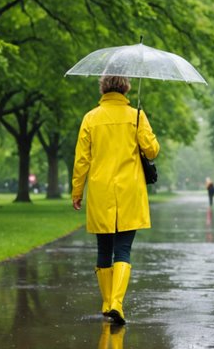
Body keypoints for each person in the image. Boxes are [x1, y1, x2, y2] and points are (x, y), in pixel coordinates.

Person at [72, 75, 159, 326]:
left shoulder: (90, 118)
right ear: (126, 88)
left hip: (101, 192)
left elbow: (82, 161)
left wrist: (77, 191)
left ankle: (107, 301)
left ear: (103, 88)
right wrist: (144, 130)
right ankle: (117, 304)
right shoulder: (136, 116)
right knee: (123, 249)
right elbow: (152, 150)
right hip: (129, 192)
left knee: (104, 249)